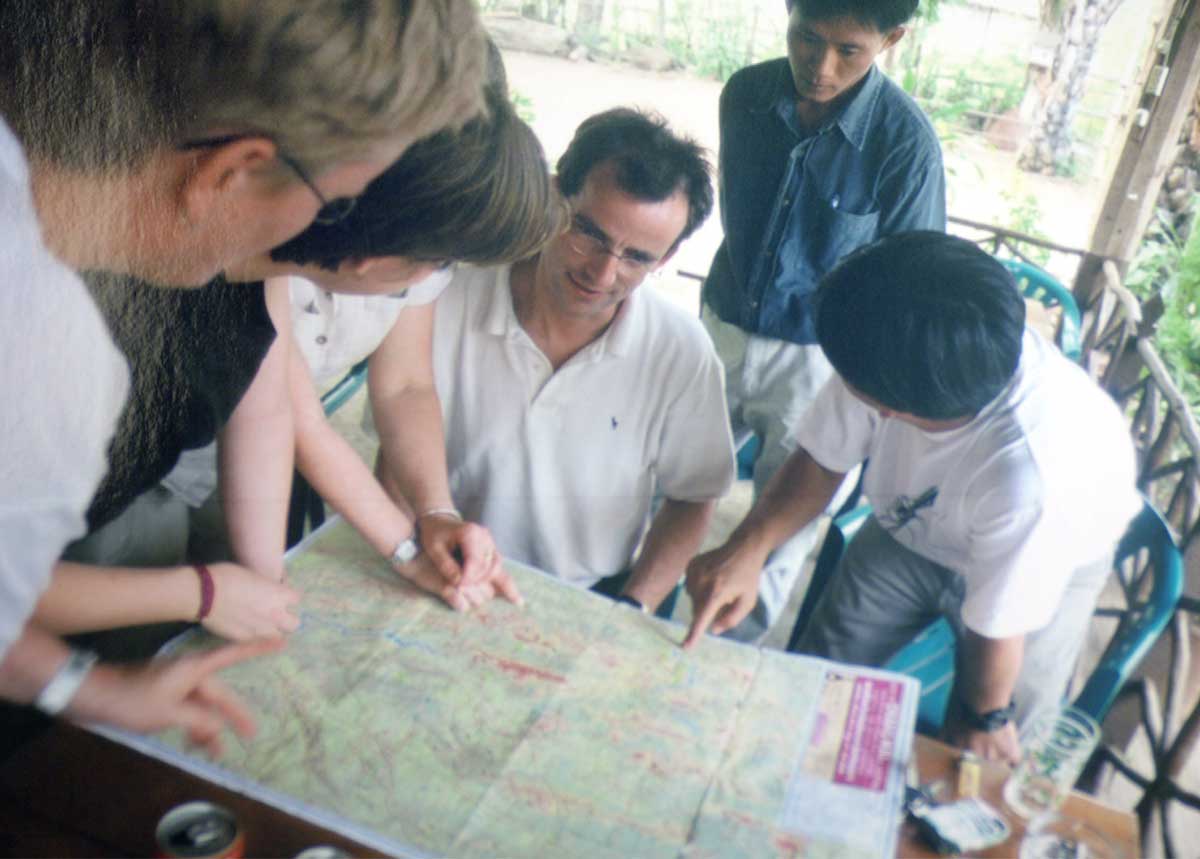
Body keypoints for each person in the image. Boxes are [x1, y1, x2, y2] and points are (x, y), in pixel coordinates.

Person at [0, 0, 486, 749]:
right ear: (229, 171)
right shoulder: (45, 351)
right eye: (336, 201)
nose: (321, 235)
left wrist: (83, 684)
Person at [36, 74, 565, 639]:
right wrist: (202, 595)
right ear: (372, 259)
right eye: (437, 264)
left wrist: (396, 551)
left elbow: (270, 415)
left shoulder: (259, 268)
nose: (434, 283)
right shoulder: (82, 304)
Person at [684, 231, 1140, 764]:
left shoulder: (1032, 474)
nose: (843, 385)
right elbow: (820, 459)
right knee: (817, 682)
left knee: (996, 751)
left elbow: (999, 626)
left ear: (893, 411)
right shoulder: (892, 339)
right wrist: (748, 550)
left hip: (1047, 565)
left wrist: (982, 717)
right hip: (915, 531)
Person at [401, 108, 736, 615]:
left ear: (666, 260)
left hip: (590, 595)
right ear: (556, 196)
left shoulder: (682, 353)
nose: (603, 273)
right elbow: (395, 453)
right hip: (444, 565)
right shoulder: (445, 297)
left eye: (637, 258)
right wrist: (408, 554)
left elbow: (693, 495)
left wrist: (632, 607)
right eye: (589, 234)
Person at [702, 0, 946, 641]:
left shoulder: (905, 145)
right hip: (722, 324)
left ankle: (728, 657)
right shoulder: (746, 95)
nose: (821, 66)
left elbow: (908, 276)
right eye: (806, 39)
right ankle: (625, 604)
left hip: (817, 360)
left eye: (849, 51)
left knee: (777, 532)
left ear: (892, 39)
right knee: (661, 474)